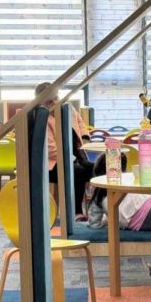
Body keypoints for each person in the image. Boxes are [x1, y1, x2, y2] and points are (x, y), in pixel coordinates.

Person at [35, 82, 93, 218]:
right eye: (50, 100)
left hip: (78, 155)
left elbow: (80, 123)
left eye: (56, 97)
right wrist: (70, 159)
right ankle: (76, 212)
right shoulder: (42, 117)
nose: (55, 101)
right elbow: (51, 149)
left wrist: (85, 137)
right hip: (55, 163)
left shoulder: (68, 109)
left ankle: (99, 208)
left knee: (97, 168)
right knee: (78, 172)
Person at [87, 152, 151, 231]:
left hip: (139, 226)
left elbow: (94, 224)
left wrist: (108, 220)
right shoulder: (126, 178)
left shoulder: (98, 196)